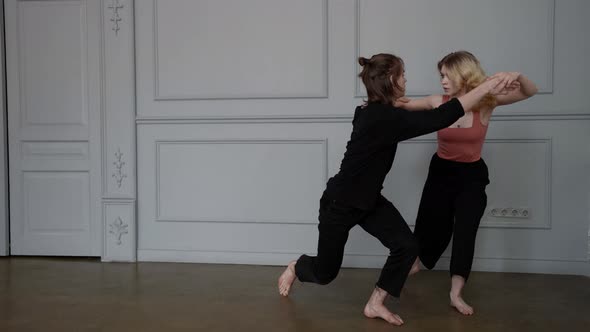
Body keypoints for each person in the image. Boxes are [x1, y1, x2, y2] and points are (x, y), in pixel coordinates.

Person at [277, 53, 511, 326]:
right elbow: (442, 116)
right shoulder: (383, 118)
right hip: (340, 203)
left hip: (369, 200)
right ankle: (297, 266)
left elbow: (417, 112)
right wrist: (485, 86)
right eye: (402, 75)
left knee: (407, 246)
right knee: (325, 272)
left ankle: (375, 303)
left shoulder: (376, 112)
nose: (406, 79)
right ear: (391, 79)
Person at [398, 50, 538, 315]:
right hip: (440, 172)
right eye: (441, 75)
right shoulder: (438, 101)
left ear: (463, 74)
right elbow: (403, 106)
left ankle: (456, 293)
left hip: (471, 176)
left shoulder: (487, 102)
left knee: (465, 231)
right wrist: (376, 102)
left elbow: (530, 91)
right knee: (430, 226)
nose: (443, 81)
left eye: (447, 75)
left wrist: (517, 75)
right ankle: (413, 263)